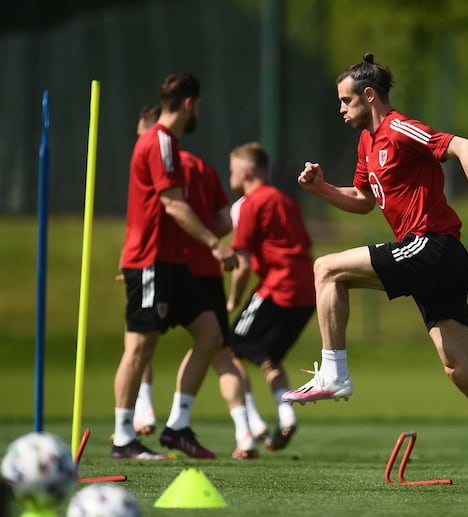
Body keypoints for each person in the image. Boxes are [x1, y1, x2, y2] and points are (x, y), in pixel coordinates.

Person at [282, 53, 468, 486]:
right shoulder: (367, 143)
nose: (341, 109)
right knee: (458, 366)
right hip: (435, 257)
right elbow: (365, 199)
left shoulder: (398, 128)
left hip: (434, 247)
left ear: (369, 96)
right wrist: (322, 189)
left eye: (346, 101)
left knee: (327, 268)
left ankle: (334, 372)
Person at [113, 72, 237, 460]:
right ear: (188, 104)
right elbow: (173, 204)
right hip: (150, 261)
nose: (197, 111)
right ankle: (122, 438)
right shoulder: (161, 142)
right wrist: (215, 244)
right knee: (139, 347)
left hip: (171, 263)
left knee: (211, 333)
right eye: (197, 105)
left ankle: (178, 427)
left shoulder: (165, 144)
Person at [129, 105, 265, 459]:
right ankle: (244, 432)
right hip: (203, 269)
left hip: (165, 263)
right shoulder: (202, 168)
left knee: (143, 342)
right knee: (220, 352)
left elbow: (162, 213)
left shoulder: (153, 159)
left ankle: (144, 415)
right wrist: (209, 240)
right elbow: (223, 220)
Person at [226, 142, 316, 451]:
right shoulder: (287, 202)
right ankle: (286, 414)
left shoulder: (253, 203)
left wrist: (232, 300)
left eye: (231, 170)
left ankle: (251, 426)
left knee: (227, 349)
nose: (230, 177)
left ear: (246, 172)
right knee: (269, 358)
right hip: (307, 291)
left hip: (279, 287)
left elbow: (242, 263)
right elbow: (306, 246)